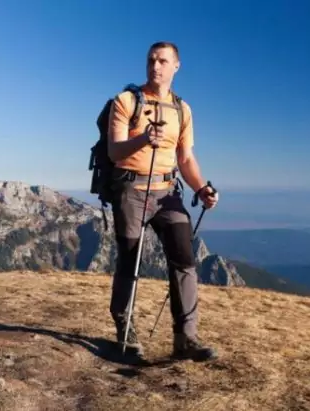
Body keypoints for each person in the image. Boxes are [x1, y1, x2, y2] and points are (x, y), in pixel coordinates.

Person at [106, 41, 219, 362]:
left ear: (176, 66)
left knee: (184, 258)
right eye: (151, 60)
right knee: (129, 259)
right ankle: (125, 333)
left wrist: (201, 190)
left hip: (168, 191)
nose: (155, 66)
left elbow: (185, 158)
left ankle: (186, 338)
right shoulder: (126, 101)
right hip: (131, 190)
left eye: (162, 61)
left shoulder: (183, 110)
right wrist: (143, 138)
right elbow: (115, 153)